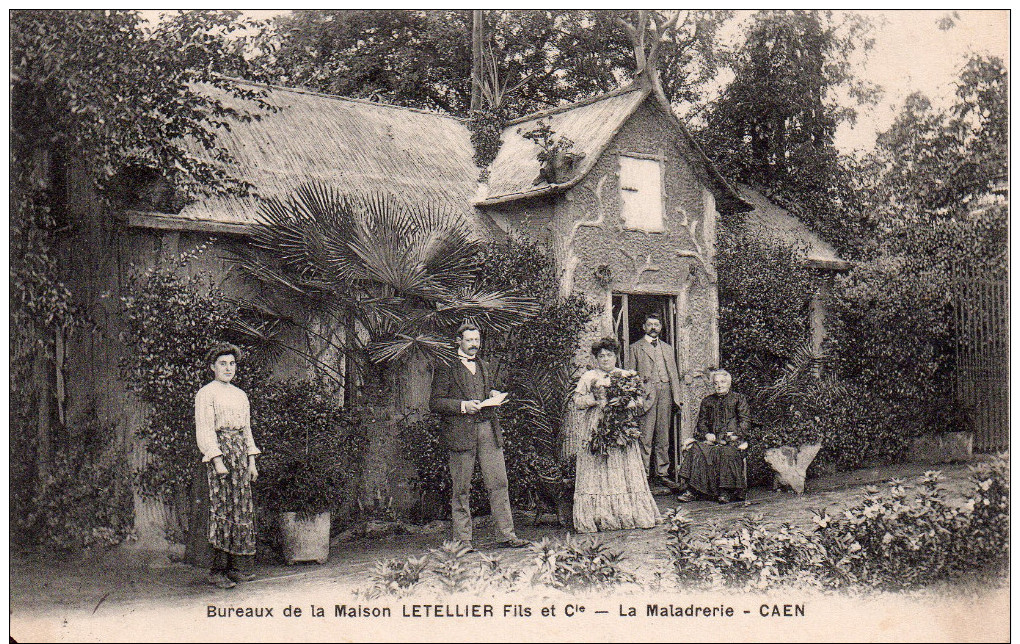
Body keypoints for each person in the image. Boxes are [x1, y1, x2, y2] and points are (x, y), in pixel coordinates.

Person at [429, 321, 529, 551]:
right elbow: (435, 402)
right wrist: (464, 406)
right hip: (461, 433)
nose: (474, 345)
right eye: (469, 340)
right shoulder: (446, 366)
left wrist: (492, 393)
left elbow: (485, 391)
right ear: (459, 341)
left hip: (487, 430)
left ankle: (507, 535)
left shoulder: (483, 365)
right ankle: (463, 541)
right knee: (461, 488)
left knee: (499, 483)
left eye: (477, 340)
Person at [572, 337, 662, 533]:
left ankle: (626, 513)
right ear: (596, 358)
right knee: (599, 466)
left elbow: (639, 400)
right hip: (596, 426)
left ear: (616, 357)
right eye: (601, 356)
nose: (605, 359)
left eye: (609, 355)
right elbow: (577, 402)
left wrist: (624, 403)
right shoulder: (589, 377)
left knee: (622, 466)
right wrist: (595, 400)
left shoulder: (625, 375)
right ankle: (599, 516)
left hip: (622, 426)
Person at [195, 343, 261, 589]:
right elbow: (204, 429)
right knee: (221, 509)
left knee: (240, 509)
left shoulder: (240, 395)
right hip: (220, 457)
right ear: (213, 367)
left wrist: (251, 461)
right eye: (223, 363)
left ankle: (236, 568)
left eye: (232, 363)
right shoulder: (206, 393)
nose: (228, 368)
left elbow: (247, 431)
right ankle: (216, 570)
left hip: (240, 456)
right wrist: (217, 460)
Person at [626, 313, 683, 492]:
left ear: (660, 327)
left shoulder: (667, 348)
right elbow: (630, 376)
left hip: (665, 392)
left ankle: (662, 473)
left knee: (663, 435)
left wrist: (677, 398)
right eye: (650, 324)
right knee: (645, 435)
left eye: (656, 324)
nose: (653, 327)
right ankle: (643, 474)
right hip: (646, 395)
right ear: (644, 327)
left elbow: (673, 374)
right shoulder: (635, 348)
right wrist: (635, 399)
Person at [678, 369, 750, 503]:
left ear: (729, 383)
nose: (719, 385)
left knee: (726, 452)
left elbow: (745, 422)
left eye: (723, 382)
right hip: (712, 439)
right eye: (716, 383)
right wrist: (706, 434)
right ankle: (694, 490)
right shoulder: (707, 401)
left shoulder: (738, 399)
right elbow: (702, 422)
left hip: (731, 440)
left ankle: (725, 492)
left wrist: (735, 435)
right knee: (697, 449)